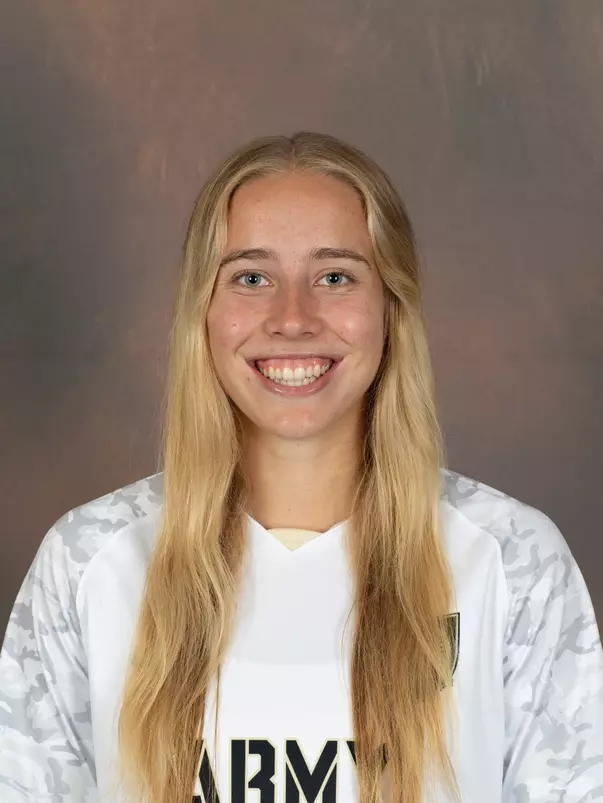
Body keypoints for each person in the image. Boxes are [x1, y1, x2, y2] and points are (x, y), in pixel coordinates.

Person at [1, 132, 601, 803]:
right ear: (203, 310)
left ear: (389, 309)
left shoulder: (513, 562)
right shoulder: (89, 563)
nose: (292, 317)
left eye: (334, 276)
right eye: (251, 278)